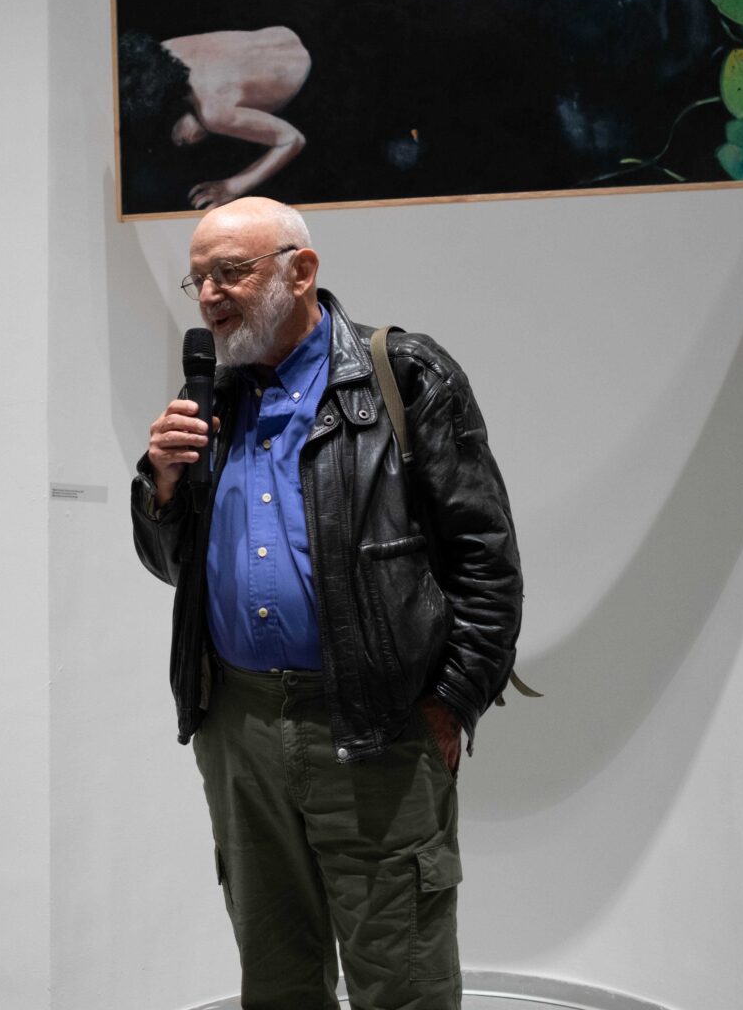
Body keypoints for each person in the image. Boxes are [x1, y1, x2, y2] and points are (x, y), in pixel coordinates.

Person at [132, 197, 523, 1009]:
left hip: (376, 725)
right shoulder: (212, 402)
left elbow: (487, 561)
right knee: (276, 975)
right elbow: (177, 569)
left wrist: (449, 704)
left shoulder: (404, 377)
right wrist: (163, 487)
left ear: (301, 270)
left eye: (230, 272)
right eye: (199, 279)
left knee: (401, 978)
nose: (210, 296)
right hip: (239, 727)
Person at [118, 27, 311, 210]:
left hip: (296, 72)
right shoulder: (165, 49)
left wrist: (232, 187)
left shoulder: (212, 113)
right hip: (281, 36)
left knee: (190, 135)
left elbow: (293, 140)